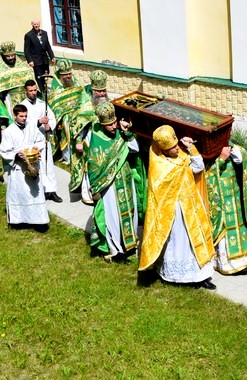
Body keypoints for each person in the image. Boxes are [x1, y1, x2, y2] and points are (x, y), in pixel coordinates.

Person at [138, 125, 216, 289]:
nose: (177, 149)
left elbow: (198, 167)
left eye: (176, 145)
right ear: (164, 150)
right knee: (178, 242)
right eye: (173, 148)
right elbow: (159, 194)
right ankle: (176, 276)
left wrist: (191, 147)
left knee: (195, 240)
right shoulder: (159, 166)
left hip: (192, 206)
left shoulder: (182, 156)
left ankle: (200, 275)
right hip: (175, 212)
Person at [83, 103, 144, 261]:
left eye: (114, 122)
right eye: (109, 124)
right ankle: (116, 250)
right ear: (102, 124)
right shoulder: (96, 139)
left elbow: (135, 149)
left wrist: (127, 133)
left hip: (126, 180)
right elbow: (93, 166)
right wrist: (95, 189)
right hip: (109, 186)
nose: (113, 126)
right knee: (113, 218)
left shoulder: (120, 134)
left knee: (130, 213)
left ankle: (129, 244)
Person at [47, 59, 95, 203]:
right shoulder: (56, 87)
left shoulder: (75, 82)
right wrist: (59, 120)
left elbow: (82, 96)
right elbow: (55, 105)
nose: (68, 77)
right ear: (61, 74)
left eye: (69, 74)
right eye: (65, 75)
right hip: (66, 117)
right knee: (68, 127)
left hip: (79, 112)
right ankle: (67, 155)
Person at [206, 143, 247, 275]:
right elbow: (207, 174)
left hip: (235, 192)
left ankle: (241, 260)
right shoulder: (206, 148)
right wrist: (221, 160)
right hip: (220, 196)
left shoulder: (229, 144)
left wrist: (236, 153)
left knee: (239, 224)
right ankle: (225, 263)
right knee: (225, 226)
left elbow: (241, 158)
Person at [0, 104, 51, 230]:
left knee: (35, 194)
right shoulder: (9, 131)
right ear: (15, 116)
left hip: (33, 165)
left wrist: (37, 148)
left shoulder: (31, 127)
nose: (24, 118)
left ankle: (39, 221)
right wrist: (16, 156)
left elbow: (40, 140)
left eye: (26, 116)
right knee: (20, 194)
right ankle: (19, 221)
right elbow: (3, 151)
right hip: (18, 169)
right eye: (21, 116)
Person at [17, 80, 61, 202]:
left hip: (44, 139)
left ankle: (51, 191)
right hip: (32, 142)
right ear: (25, 91)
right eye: (30, 91)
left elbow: (51, 117)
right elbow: (23, 123)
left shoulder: (42, 103)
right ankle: (40, 191)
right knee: (38, 166)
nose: (33, 93)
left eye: (35, 90)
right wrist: (39, 122)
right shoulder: (23, 106)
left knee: (49, 166)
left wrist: (49, 126)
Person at [0, 41, 33, 106]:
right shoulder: (0, 71)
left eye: (12, 55)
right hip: (9, 99)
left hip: (25, 97)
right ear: (4, 57)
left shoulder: (23, 67)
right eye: (8, 56)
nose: (11, 58)